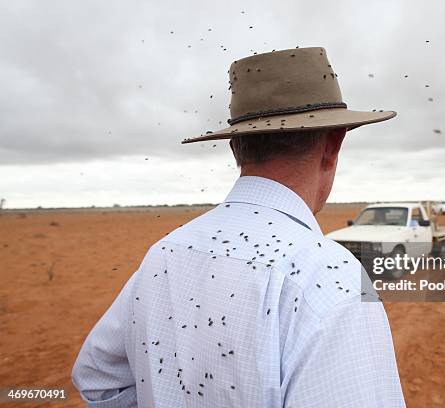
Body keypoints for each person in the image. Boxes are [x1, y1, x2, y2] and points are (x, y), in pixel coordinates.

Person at [73, 47, 405, 407]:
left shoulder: (166, 252)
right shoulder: (327, 276)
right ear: (334, 144)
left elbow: (97, 378)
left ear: (235, 146)